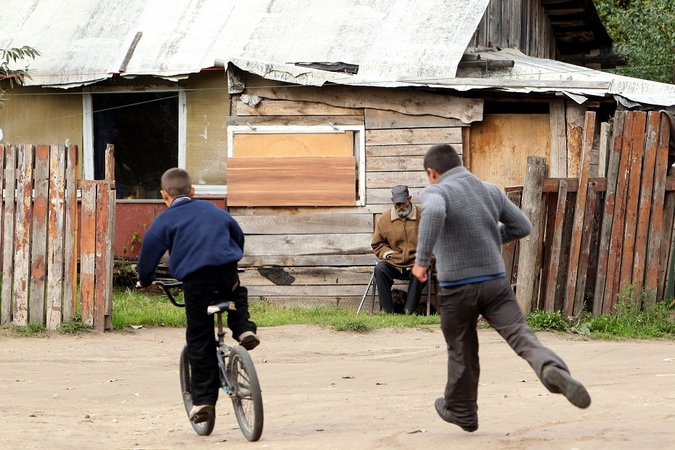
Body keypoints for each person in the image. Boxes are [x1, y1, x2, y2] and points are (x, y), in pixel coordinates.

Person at [412, 144, 590, 433]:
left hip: (457, 289)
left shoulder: (436, 191)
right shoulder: (490, 190)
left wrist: (421, 262)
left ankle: (463, 413)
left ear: (433, 173)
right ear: (459, 165)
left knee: (461, 349)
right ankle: (550, 369)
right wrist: (491, 236)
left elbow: (432, 213)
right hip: (495, 283)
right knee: (521, 334)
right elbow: (523, 226)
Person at [136, 167, 259, 424]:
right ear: (192, 191)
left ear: (163, 195)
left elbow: (148, 254)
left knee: (199, 337)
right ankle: (244, 328)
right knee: (237, 294)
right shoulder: (214, 210)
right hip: (226, 273)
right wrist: (231, 256)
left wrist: (145, 280)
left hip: (197, 282)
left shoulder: (165, 220)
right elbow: (236, 235)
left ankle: (203, 401)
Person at [371, 185, 425, 314]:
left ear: (409, 199)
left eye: (403, 202)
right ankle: (387, 312)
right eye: (397, 204)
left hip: (416, 261)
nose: (401, 206)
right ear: (392, 201)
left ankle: (409, 312)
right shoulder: (384, 219)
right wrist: (388, 254)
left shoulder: (424, 215)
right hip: (395, 262)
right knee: (380, 269)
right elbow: (378, 244)